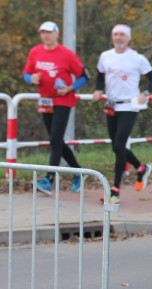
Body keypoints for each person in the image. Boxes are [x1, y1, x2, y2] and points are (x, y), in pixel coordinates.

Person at [92, 24, 152, 204]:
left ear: (128, 38)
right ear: (112, 37)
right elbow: (100, 75)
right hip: (111, 105)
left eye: (122, 35)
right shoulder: (105, 56)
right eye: (115, 35)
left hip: (129, 106)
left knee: (120, 145)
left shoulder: (137, 58)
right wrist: (98, 89)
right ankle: (141, 167)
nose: (118, 38)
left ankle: (115, 190)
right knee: (116, 146)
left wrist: (145, 93)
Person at [23, 21, 90, 195]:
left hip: (63, 100)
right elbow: (26, 73)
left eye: (49, 32)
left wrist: (71, 88)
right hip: (45, 100)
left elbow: (85, 76)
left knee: (55, 138)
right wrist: (31, 79)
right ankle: (78, 172)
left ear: (57, 34)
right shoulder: (35, 51)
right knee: (56, 140)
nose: (46, 35)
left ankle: (49, 179)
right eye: (43, 32)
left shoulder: (66, 54)